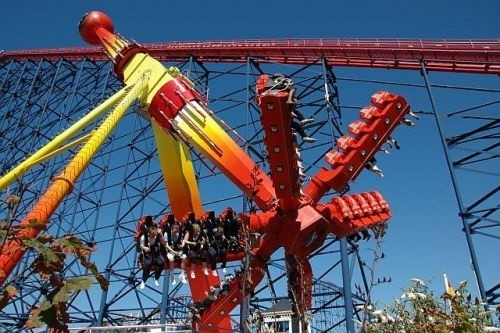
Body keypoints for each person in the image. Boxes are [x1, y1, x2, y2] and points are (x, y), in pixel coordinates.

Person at [139, 223, 168, 289]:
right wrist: (144, 248)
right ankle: (143, 281)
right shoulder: (144, 237)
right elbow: (141, 245)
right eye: (153, 235)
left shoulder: (157, 236)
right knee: (148, 265)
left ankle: (156, 278)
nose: (154, 236)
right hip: (148, 252)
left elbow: (164, 243)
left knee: (162, 262)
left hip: (155, 251)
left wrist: (160, 235)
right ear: (149, 234)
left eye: (155, 234)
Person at [163, 218, 188, 285]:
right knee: (171, 259)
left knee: (184, 257)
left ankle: (182, 274)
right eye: (176, 230)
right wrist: (173, 252)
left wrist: (182, 245)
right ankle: (172, 275)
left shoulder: (178, 234)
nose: (177, 231)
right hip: (170, 250)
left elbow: (182, 240)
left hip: (177, 249)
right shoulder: (166, 234)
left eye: (178, 230)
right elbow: (166, 245)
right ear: (172, 229)